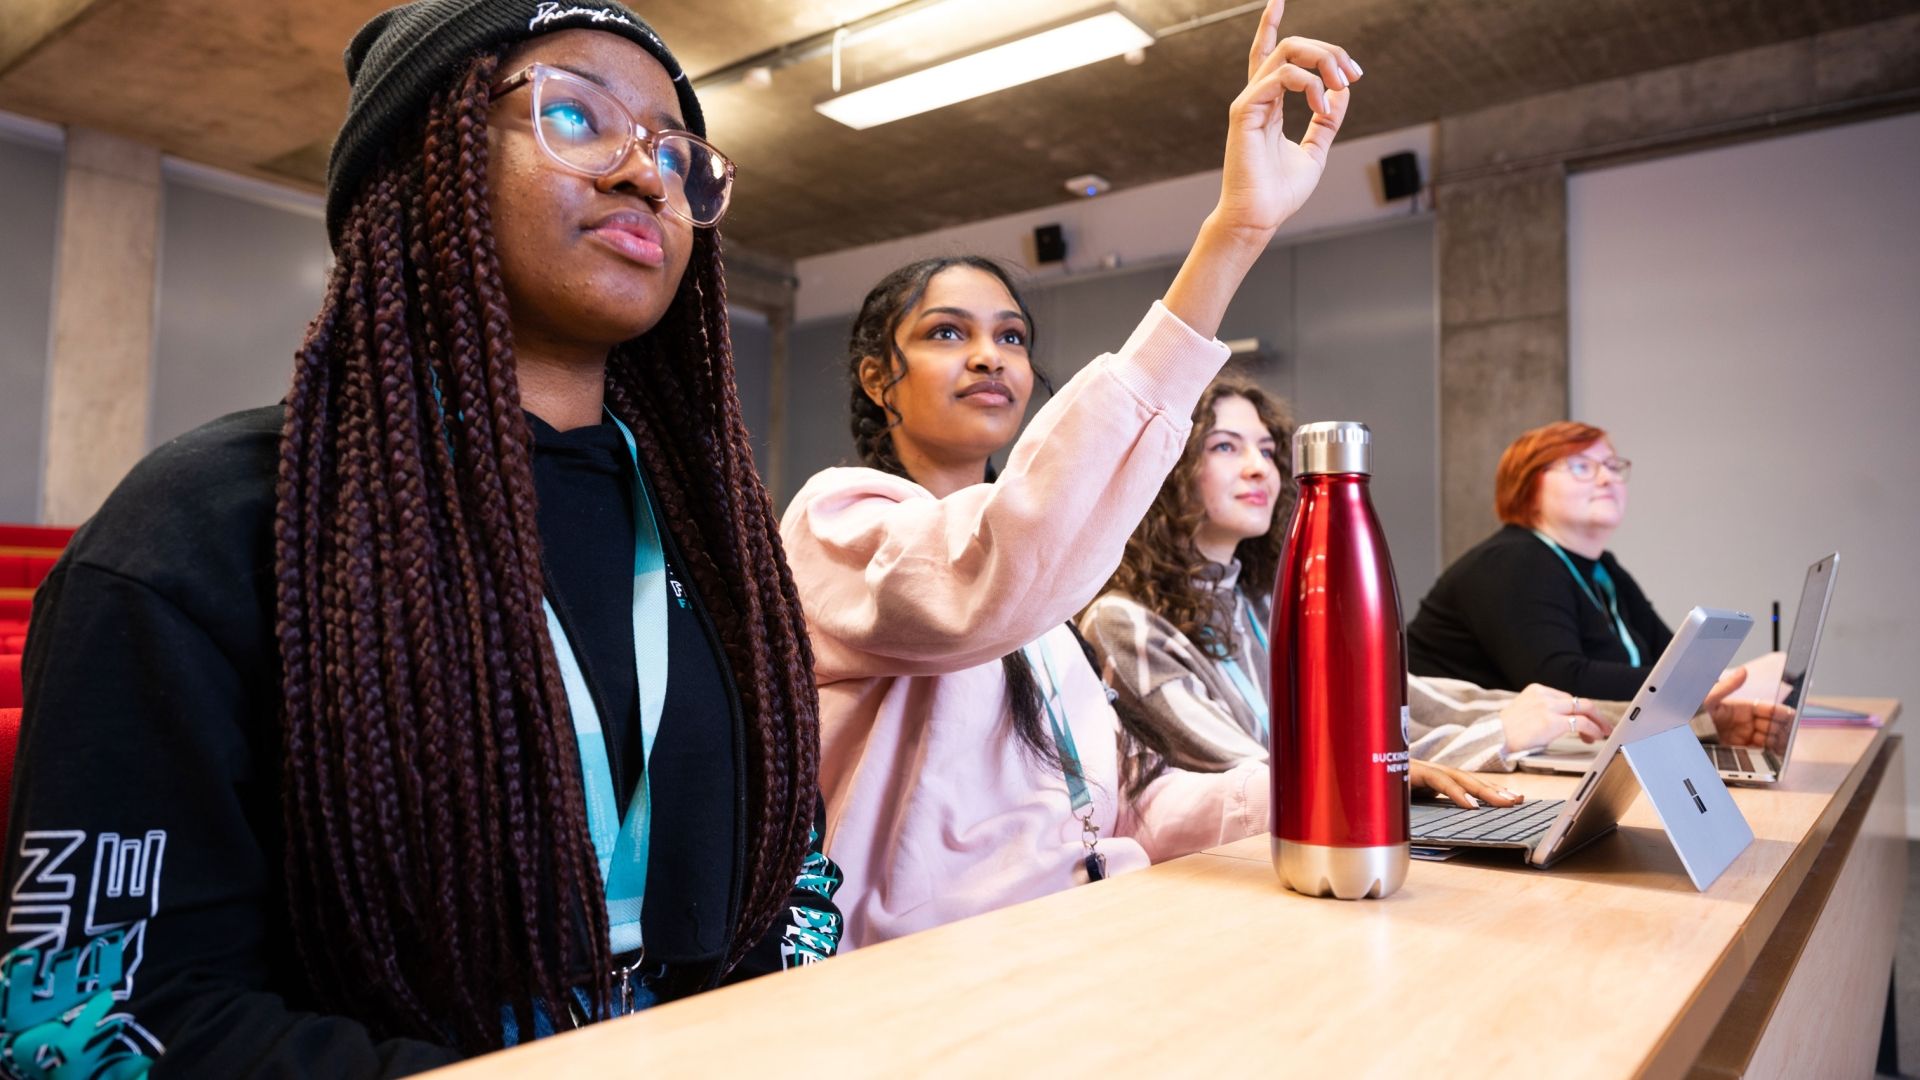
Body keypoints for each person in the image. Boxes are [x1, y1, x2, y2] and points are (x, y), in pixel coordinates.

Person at [0, 2, 838, 1073]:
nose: (647, 176)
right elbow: (84, 1023)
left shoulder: (724, 545)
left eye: (676, 152)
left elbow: (797, 875)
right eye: (576, 116)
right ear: (415, 167)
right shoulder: (200, 530)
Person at [780, 3, 1518, 949]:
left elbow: (1132, 816)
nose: (989, 356)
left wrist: (1342, 780)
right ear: (878, 380)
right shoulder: (843, 522)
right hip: (939, 966)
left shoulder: (1046, 596)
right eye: (945, 334)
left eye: (1010, 336)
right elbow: (986, 577)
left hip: (1094, 928)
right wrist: (1235, 232)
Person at [1079, 376, 1614, 782]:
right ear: (1166, 465)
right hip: (1233, 870)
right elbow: (1259, 777)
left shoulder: (1261, 597)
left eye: (1266, 450)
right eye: (1225, 446)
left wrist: (1568, 711)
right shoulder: (1124, 622)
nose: (1259, 468)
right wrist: (1495, 736)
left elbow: (1396, 699)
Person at [1406, 420, 1672, 700]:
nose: (1607, 478)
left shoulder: (1605, 570)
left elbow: (1671, 660)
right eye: (1581, 466)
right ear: (1527, 489)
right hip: (1454, 736)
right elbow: (1559, 683)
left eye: (1611, 466)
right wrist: (1696, 689)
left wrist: (1710, 686)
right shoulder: (1511, 561)